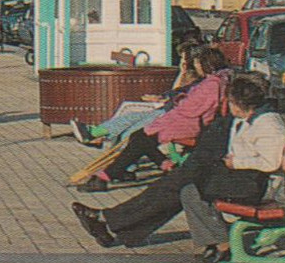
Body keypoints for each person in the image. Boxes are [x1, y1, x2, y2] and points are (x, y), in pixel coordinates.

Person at [71, 76, 285, 262]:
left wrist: (236, 162)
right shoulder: (251, 118)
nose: (229, 106)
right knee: (181, 185)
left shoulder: (268, 124)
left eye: (231, 102)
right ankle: (114, 224)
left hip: (254, 186)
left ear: (240, 102)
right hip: (242, 178)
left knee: (182, 184)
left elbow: (270, 162)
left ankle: (109, 221)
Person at [76, 46, 232, 190]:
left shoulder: (211, 84)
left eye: (198, 63)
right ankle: (163, 165)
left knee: (141, 138)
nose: (196, 67)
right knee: (140, 138)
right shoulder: (217, 81)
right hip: (189, 121)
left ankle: (107, 176)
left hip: (190, 123)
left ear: (206, 64)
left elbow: (191, 109)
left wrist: (178, 101)